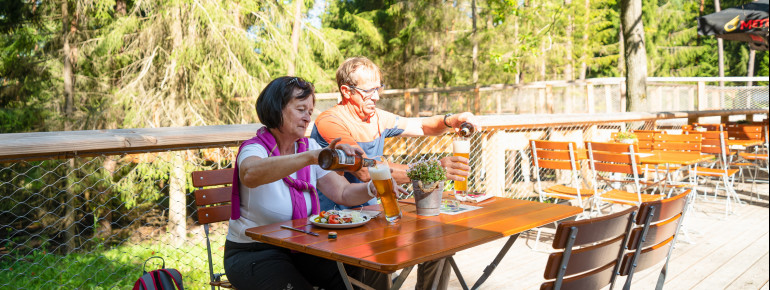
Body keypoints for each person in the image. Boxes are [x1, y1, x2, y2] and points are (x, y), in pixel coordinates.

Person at [310, 56, 480, 290]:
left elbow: (420, 126)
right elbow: (364, 169)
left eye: (378, 89)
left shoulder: (377, 117)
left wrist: (452, 120)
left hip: (377, 215)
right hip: (341, 221)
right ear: (346, 91)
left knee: (439, 246)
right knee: (380, 259)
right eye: (369, 91)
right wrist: (430, 169)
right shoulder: (330, 121)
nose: (376, 97)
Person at [224, 76, 386, 290]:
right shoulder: (255, 149)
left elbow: (343, 193)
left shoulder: (308, 146)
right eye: (301, 110)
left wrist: (370, 188)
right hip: (254, 252)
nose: (307, 118)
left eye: (310, 112)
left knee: (362, 272)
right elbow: (250, 174)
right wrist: (311, 157)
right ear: (276, 108)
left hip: (304, 248)